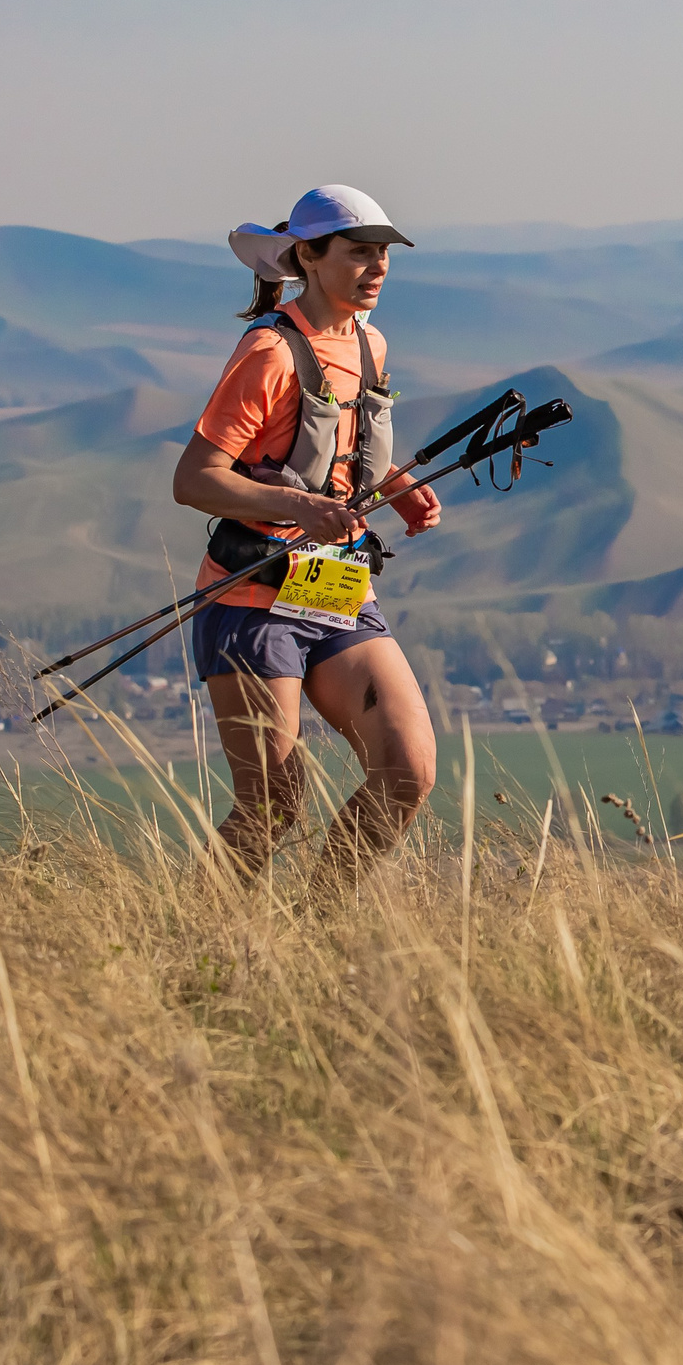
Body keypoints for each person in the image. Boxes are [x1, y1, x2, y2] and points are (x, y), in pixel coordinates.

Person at [173, 184, 442, 883]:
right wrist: (298, 512)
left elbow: (342, 462)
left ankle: (319, 931)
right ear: (309, 257)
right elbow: (196, 479)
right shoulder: (269, 351)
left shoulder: (371, 344)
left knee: (408, 769)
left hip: (338, 591)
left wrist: (400, 491)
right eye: (359, 253)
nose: (377, 268)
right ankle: (195, 946)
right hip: (249, 599)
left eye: (383, 255)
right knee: (273, 802)